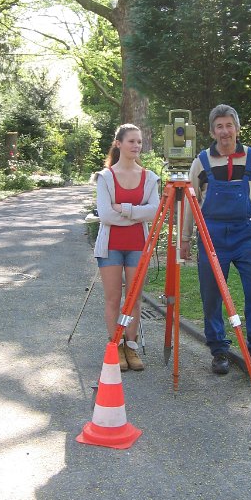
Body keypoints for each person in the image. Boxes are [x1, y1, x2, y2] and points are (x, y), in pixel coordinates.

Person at [180, 104, 251, 374]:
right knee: (212, 295)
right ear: (213, 132)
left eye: (229, 125)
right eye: (219, 126)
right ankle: (219, 351)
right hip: (211, 235)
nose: (225, 131)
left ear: (237, 128)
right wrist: (185, 239)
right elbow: (190, 202)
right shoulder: (201, 161)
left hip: (244, 233)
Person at [94, 124, 160, 371]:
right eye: (131, 141)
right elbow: (106, 215)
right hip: (110, 246)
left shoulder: (150, 177)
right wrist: (137, 214)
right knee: (113, 298)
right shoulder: (106, 177)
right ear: (118, 144)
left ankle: (131, 347)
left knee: (133, 300)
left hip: (137, 246)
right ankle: (115, 346)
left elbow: (155, 211)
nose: (136, 146)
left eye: (139, 142)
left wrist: (127, 209)